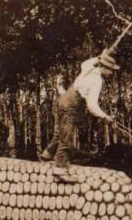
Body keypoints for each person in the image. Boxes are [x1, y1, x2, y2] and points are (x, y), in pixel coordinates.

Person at [40, 51, 118, 183]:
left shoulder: (89, 68)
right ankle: (60, 170)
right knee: (67, 137)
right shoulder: (97, 80)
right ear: (104, 68)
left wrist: (99, 57)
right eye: (110, 70)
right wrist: (105, 117)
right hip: (70, 105)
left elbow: (85, 62)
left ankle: (46, 156)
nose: (111, 73)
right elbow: (92, 106)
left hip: (64, 99)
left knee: (61, 134)